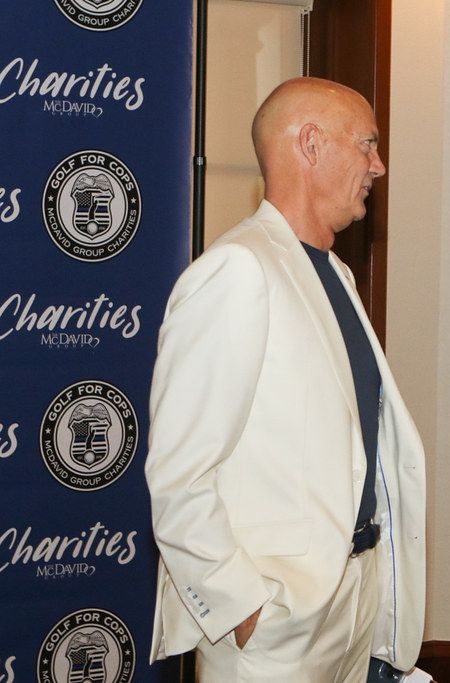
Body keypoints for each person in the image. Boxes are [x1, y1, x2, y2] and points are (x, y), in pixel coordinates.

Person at [145, 77, 426, 682]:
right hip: (275, 627)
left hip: (352, 605)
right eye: (368, 145)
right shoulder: (237, 270)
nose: (378, 165)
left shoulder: (337, 276)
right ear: (311, 144)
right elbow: (179, 473)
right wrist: (244, 607)